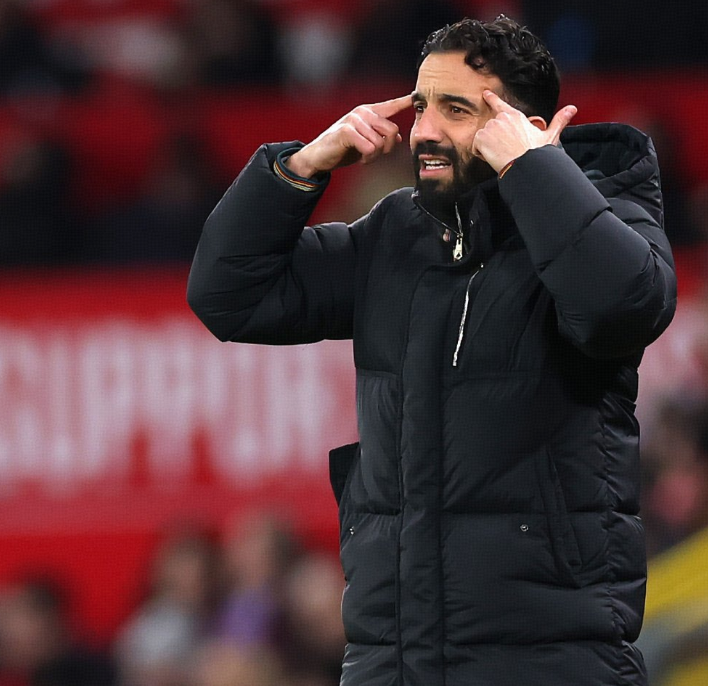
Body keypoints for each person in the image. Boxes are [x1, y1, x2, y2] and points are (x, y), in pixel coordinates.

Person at [187, 15, 676, 686]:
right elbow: (228, 295)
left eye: (456, 110)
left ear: (522, 126)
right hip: (393, 659)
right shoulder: (393, 234)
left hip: (551, 659)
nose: (424, 131)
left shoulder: (608, 212)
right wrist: (300, 168)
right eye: (421, 106)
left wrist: (534, 171)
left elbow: (621, 307)